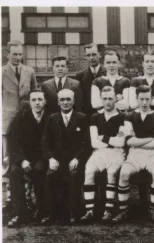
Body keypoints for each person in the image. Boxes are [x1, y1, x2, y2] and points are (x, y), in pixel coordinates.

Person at [112, 85, 154, 223]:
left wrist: (138, 140)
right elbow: (128, 141)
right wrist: (150, 138)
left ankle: (153, 208)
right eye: (142, 99)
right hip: (134, 154)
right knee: (124, 173)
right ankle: (123, 210)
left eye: (147, 99)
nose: (145, 102)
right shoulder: (129, 116)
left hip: (153, 154)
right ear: (137, 99)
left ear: (151, 98)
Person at [41, 89, 89, 225]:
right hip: (57, 159)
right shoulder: (52, 118)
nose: (65, 102)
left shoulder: (82, 117)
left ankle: (74, 211)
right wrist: (50, 158)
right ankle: (51, 213)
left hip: (75, 158)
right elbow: (45, 141)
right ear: (58, 102)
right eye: (62, 99)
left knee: (74, 175)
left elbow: (86, 143)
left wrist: (78, 158)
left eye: (68, 99)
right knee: (50, 176)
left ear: (73, 101)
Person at [81, 86, 127, 222]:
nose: (108, 102)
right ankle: (89, 210)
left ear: (116, 99)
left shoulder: (123, 116)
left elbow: (121, 142)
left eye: (110, 99)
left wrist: (104, 138)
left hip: (117, 153)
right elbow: (94, 143)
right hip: (99, 152)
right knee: (89, 171)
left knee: (112, 172)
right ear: (101, 99)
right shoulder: (95, 117)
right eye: (105, 99)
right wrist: (111, 141)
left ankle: (108, 209)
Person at [2, 40, 37, 208]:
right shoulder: (2, 72)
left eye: (20, 54)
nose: (17, 57)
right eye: (14, 54)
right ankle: (8, 198)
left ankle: (28, 196)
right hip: (7, 122)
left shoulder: (29, 71)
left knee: (27, 155)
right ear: (7, 54)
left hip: (25, 121)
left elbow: (34, 94)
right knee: (7, 159)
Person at [7, 89, 49, 227]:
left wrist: (43, 159)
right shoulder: (22, 117)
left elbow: (52, 143)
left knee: (39, 171)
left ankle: (42, 211)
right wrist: (22, 160)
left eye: (40, 100)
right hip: (23, 157)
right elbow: (13, 141)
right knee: (15, 172)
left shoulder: (50, 117)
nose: (37, 103)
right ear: (29, 102)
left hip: (42, 157)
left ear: (45, 101)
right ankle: (19, 213)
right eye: (34, 100)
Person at [76, 44, 106, 117]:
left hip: (105, 112)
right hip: (87, 114)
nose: (91, 58)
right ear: (85, 57)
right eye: (88, 55)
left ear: (100, 55)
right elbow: (80, 98)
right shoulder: (80, 75)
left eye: (94, 54)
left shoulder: (107, 73)